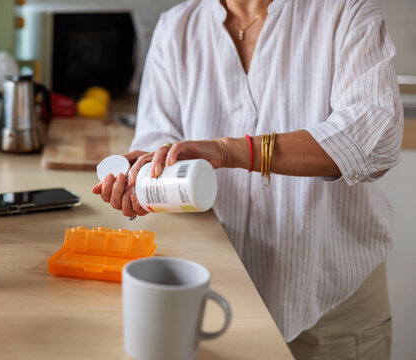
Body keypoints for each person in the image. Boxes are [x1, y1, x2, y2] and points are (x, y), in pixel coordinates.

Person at [92, 0, 402, 358]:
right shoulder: (175, 27)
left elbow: (376, 134)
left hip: (334, 300)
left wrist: (233, 150)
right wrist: (143, 185)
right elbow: (156, 144)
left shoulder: (345, 11)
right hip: (215, 298)